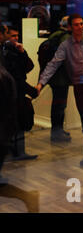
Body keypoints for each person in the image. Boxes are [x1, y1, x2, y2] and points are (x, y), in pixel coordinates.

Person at [36, 14, 83, 167]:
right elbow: (53, 64)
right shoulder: (66, 46)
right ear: (69, 27)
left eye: (82, 24)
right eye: (76, 25)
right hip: (80, 87)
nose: (80, 27)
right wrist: (41, 82)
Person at [1, 25, 38, 161]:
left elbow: (29, 66)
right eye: (12, 36)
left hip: (19, 92)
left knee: (20, 122)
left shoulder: (18, 50)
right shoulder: (5, 53)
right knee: (15, 123)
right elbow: (15, 77)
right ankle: (15, 152)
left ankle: (18, 151)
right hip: (12, 94)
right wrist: (32, 90)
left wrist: (22, 52)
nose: (16, 38)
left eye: (17, 36)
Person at [43, 16, 72, 142]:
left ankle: (57, 131)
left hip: (54, 77)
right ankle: (57, 133)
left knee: (57, 105)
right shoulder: (65, 37)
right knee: (60, 106)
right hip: (61, 78)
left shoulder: (54, 35)